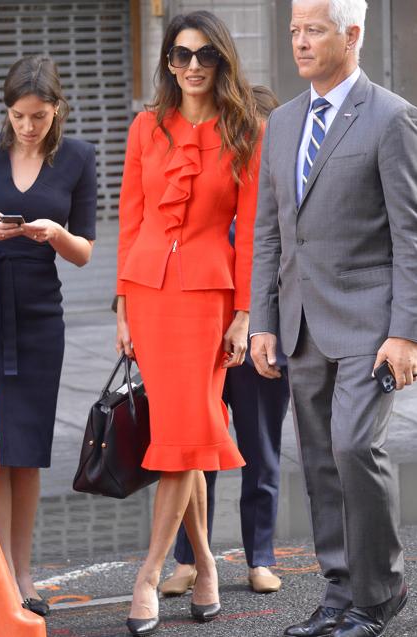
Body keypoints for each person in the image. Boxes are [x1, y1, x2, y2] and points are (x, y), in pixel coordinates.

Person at [250, 0, 417, 636]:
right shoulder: (284, 123)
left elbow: (410, 235)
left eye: (313, 29)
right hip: (300, 324)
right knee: (319, 459)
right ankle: (340, 590)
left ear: (351, 34)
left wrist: (405, 333)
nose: (299, 41)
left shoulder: (392, 118)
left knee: (354, 448)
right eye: (293, 30)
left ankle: (380, 592)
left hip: (371, 326)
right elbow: (269, 233)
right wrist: (263, 320)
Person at [116, 10, 262, 636]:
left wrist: (245, 315)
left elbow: (255, 232)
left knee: (181, 435)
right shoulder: (145, 128)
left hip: (209, 300)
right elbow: (129, 218)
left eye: (206, 55)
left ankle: (149, 573)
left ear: (222, 62)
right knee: (186, 437)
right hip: (149, 296)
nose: (193, 66)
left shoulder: (245, 130)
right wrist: (121, 304)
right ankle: (204, 563)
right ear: (168, 63)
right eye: (181, 55)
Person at [0, 55, 97, 616]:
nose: (28, 126)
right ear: (7, 111)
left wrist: (57, 233)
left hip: (39, 315)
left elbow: (86, 251)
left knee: (26, 451)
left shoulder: (78, 158)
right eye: (18, 115)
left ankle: (21, 575)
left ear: (56, 110)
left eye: (38, 116)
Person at [160, 85, 289, 598]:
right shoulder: (210, 189)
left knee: (261, 450)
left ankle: (260, 558)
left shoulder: (281, 194)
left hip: (260, 337)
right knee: (199, 451)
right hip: (203, 335)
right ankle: (191, 560)